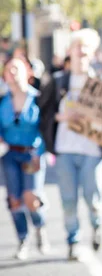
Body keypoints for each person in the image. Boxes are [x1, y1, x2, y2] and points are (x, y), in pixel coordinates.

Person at [38, 28, 102, 260]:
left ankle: (97, 224)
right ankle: (73, 239)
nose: (81, 52)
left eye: (86, 48)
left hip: (92, 149)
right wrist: (63, 117)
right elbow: (44, 112)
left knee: (92, 195)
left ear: (93, 53)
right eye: (77, 47)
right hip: (65, 148)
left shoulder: (100, 82)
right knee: (68, 199)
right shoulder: (58, 82)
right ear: (70, 52)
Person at [0, 57, 49, 260]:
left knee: (30, 198)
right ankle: (22, 239)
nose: (11, 73)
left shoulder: (37, 98)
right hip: (10, 154)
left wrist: (40, 151)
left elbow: (45, 129)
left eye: (16, 69)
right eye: (8, 70)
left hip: (32, 153)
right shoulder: (2, 101)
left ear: (27, 73)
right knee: (14, 200)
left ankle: (40, 227)